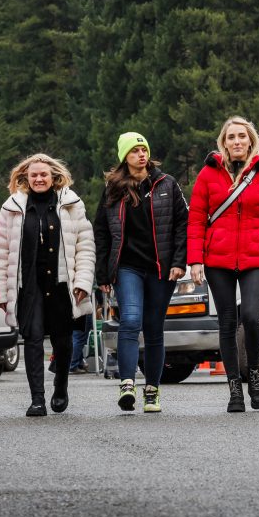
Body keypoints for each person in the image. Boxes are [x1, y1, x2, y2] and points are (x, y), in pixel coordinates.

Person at [188, 117, 259, 413]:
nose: (237, 141)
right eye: (231, 137)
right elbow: (196, 219)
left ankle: (255, 378)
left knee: (251, 316)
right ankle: (234, 387)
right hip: (217, 259)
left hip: (255, 257)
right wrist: (195, 259)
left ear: (250, 141)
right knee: (226, 322)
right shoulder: (208, 174)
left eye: (242, 136)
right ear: (224, 142)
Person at [0, 154, 95, 417]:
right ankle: (37, 398)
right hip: (28, 285)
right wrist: (2, 292)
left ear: (53, 177)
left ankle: (61, 386)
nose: (39, 179)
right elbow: (1, 251)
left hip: (62, 283)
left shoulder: (71, 204)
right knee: (33, 338)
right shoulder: (12, 207)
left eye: (43, 174)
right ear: (25, 178)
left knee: (63, 341)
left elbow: (84, 246)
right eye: (34, 175)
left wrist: (83, 282)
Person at [94, 132, 188, 413]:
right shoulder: (113, 188)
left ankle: (152, 391)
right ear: (125, 157)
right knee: (131, 320)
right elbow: (101, 231)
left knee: (154, 327)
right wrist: (103, 274)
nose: (141, 155)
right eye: (134, 151)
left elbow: (182, 224)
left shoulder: (167, 183)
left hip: (161, 268)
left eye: (143, 149)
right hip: (127, 267)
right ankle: (127, 384)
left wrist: (179, 261)